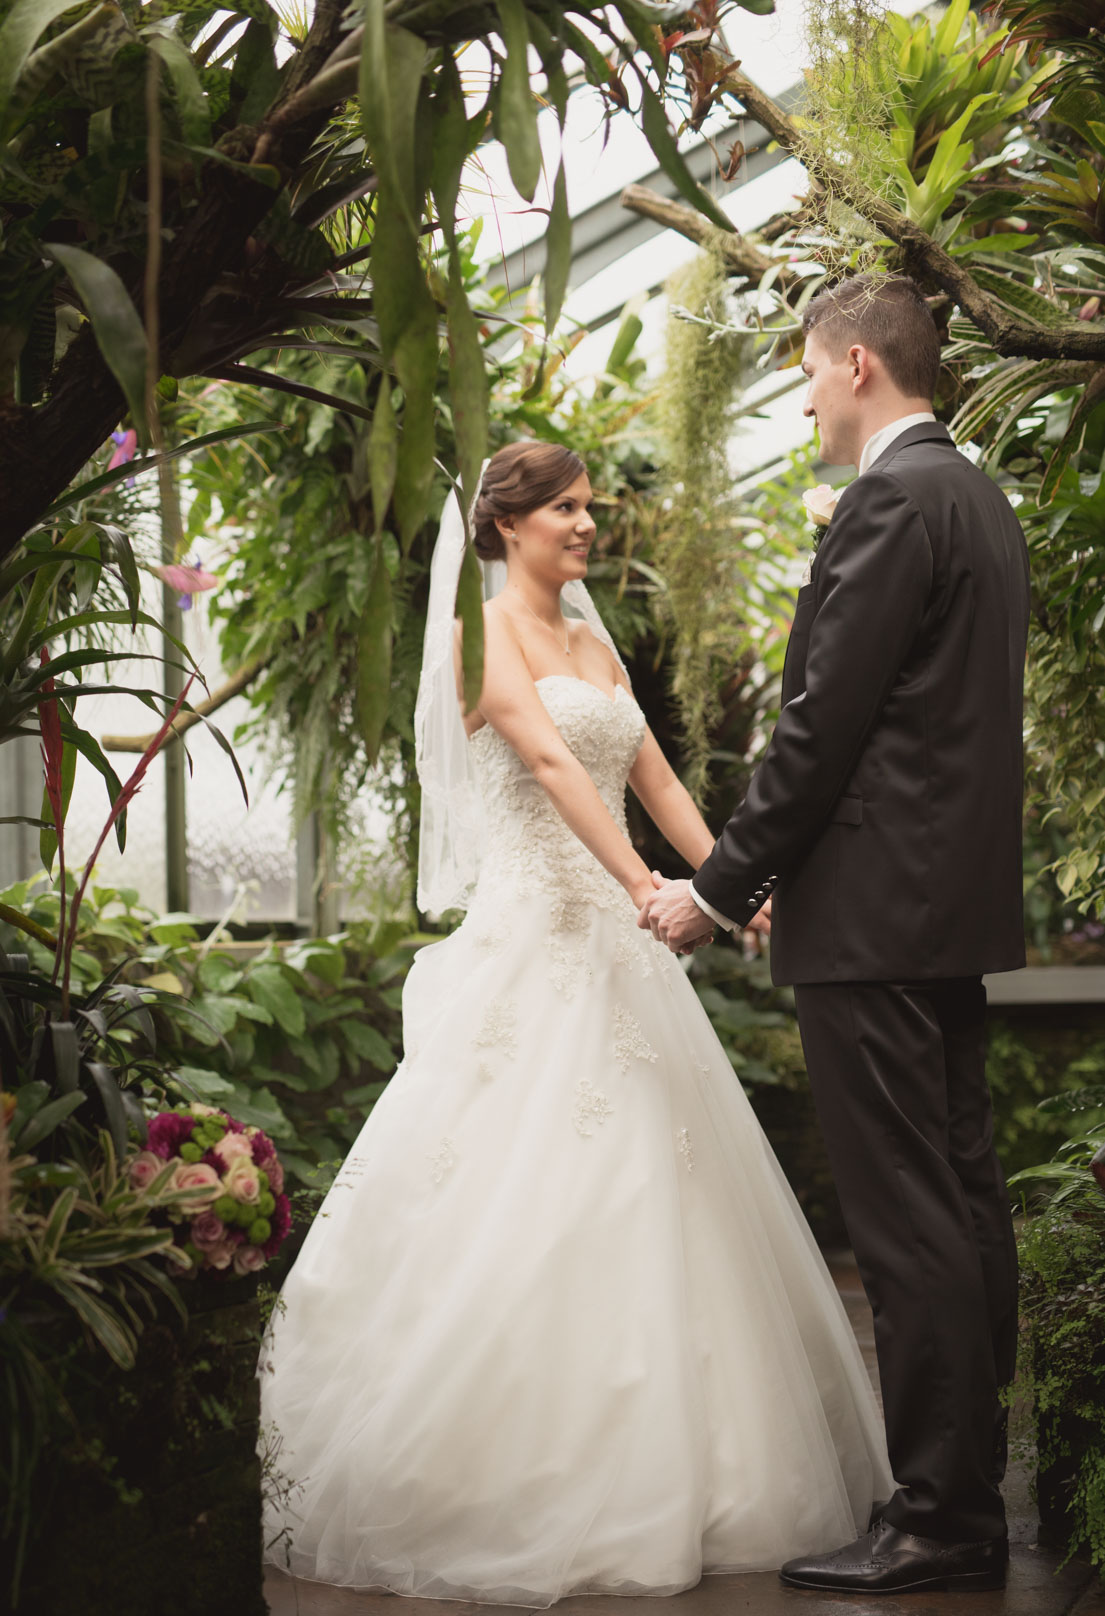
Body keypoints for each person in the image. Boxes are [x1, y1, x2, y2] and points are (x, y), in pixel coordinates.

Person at [258, 438, 893, 1606]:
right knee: (519, 1185)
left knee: (663, 1186)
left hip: (624, 944)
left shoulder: (594, 640)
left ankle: (696, 1472)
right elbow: (550, 763)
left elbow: (649, 776)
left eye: (587, 506)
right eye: (563, 509)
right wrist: (646, 890)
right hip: (540, 933)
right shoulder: (478, 636)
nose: (585, 525)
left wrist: (730, 887)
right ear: (503, 527)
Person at [641, 273, 1029, 1595]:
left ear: (858, 364)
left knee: (906, 1215)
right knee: (960, 1194)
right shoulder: (979, 499)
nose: (803, 397)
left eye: (807, 372)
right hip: (947, 907)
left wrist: (717, 884)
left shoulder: (890, 503)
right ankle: (968, 1487)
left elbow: (823, 725)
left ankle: (939, 1515)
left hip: (870, 914)